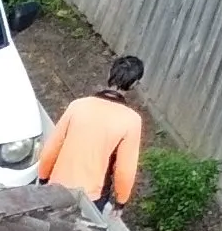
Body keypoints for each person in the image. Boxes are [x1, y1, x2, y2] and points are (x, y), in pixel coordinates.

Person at [36, 56, 148, 209]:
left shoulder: (78, 106)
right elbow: (124, 169)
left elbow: (52, 148)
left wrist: (43, 177)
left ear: (109, 74)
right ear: (135, 84)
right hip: (91, 197)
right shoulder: (132, 121)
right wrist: (120, 202)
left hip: (57, 186)